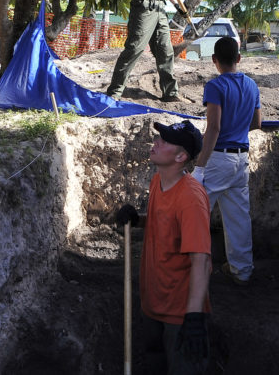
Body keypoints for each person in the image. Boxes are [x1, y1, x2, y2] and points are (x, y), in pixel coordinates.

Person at [117, 120, 211, 374]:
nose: (156, 142)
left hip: (179, 314)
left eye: (166, 141)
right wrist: (138, 220)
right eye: (159, 137)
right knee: (155, 361)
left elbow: (201, 260)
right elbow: (165, 225)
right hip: (153, 302)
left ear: (181, 156)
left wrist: (194, 318)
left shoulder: (191, 198)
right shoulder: (158, 182)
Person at [191, 36, 261, 286]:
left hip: (218, 159)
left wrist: (199, 167)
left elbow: (214, 128)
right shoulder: (252, 85)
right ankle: (242, 271)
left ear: (214, 60)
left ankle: (187, 271)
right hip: (241, 159)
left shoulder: (215, 87)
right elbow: (257, 123)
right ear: (239, 58)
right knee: (239, 218)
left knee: (195, 215)